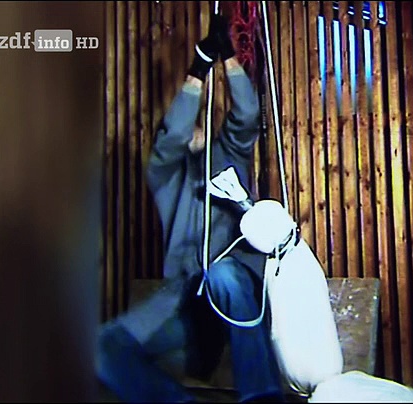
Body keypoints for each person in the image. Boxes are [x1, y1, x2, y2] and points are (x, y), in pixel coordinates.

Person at [96, 14, 283, 403]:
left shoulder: (229, 154)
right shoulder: (165, 174)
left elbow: (247, 115)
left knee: (223, 274)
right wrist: (197, 69)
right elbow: (173, 136)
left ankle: (262, 397)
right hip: (184, 303)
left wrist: (227, 58)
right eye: (183, 120)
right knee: (101, 346)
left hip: (233, 295)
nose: (191, 124)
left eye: (198, 118)